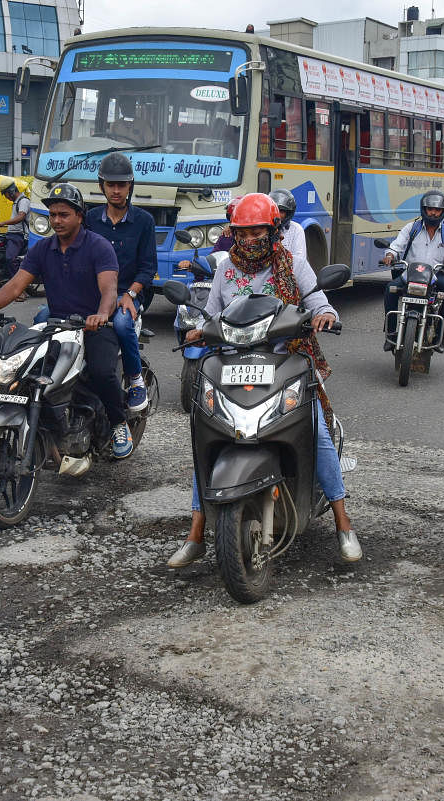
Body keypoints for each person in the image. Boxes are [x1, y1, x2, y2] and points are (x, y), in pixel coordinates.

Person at [167, 193, 360, 569]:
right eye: (243, 232)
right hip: (233, 366)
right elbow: (210, 316)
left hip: (286, 361)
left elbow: (321, 302)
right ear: (233, 233)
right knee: (207, 435)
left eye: (258, 231)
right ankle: (195, 532)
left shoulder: (292, 263)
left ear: (273, 230)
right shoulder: (225, 270)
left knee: (317, 431)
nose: (250, 239)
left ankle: (342, 522)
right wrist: (197, 330)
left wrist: (323, 316)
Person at [0, 183, 134, 459]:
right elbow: (15, 286)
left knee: (103, 372)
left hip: (93, 326)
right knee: (26, 371)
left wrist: (102, 314)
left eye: (64, 214)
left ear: (80, 216)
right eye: (53, 214)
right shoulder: (42, 249)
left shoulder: (99, 247)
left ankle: (119, 423)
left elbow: (109, 289)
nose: (56, 220)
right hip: (56, 326)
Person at [84, 152, 156, 412]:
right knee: (48, 317)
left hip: (129, 294)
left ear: (130, 186)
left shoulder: (144, 221)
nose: (116, 191)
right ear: (101, 186)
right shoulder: (89, 219)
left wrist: (131, 295)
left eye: (121, 185)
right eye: (110, 185)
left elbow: (148, 269)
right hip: (96, 294)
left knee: (124, 323)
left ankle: (136, 380)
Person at [381, 189, 444, 349]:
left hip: (435, 275)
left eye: (437, 210)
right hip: (410, 274)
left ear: (442, 211)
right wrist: (390, 255)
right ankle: (390, 333)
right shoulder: (412, 228)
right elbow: (397, 246)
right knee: (390, 289)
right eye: (430, 209)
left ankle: (441, 336)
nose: (433, 213)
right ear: (423, 209)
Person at [0, 179, 29, 281]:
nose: (5, 197)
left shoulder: (23, 201)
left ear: (10, 191)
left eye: (5, 194)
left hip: (19, 236)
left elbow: (20, 217)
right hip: (12, 235)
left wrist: (2, 223)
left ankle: (19, 289)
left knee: (10, 259)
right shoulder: (16, 202)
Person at [269, 188, 306, 263]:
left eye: (281, 211)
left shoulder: (296, 230)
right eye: (274, 210)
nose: (277, 214)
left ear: (288, 213)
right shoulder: (263, 229)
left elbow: (299, 261)